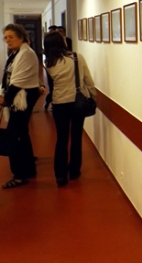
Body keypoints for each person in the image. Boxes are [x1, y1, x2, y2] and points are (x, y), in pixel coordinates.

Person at [44, 31, 96, 187]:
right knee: (76, 136)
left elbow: (51, 86)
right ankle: (74, 170)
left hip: (59, 102)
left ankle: (60, 175)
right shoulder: (76, 57)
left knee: (61, 138)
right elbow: (87, 79)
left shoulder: (48, 63)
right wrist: (93, 96)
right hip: (77, 101)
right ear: (61, 42)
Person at [0, 24, 41, 189]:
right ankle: (28, 168)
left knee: (14, 135)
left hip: (21, 98)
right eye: (5, 37)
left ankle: (19, 175)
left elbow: (17, 81)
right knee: (21, 133)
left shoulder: (25, 54)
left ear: (21, 37)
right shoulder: (16, 53)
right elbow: (8, 77)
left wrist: (5, 100)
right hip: (19, 97)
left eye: (11, 37)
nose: (7, 40)